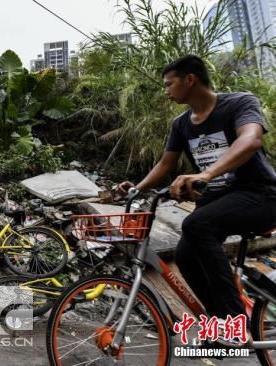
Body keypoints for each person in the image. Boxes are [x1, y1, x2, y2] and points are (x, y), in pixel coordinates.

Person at [116, 54, 276, 345]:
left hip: (261, 194)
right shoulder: (181, 124)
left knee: (196, 224)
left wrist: (207, 173)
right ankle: (220, 328)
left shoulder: (239, 103)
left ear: (190, 80)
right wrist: (136, 189)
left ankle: (234, 325)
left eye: (169, 84)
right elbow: (165, 164)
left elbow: (251, 139)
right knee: (186, 254)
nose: (165, 90)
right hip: (221, 198)